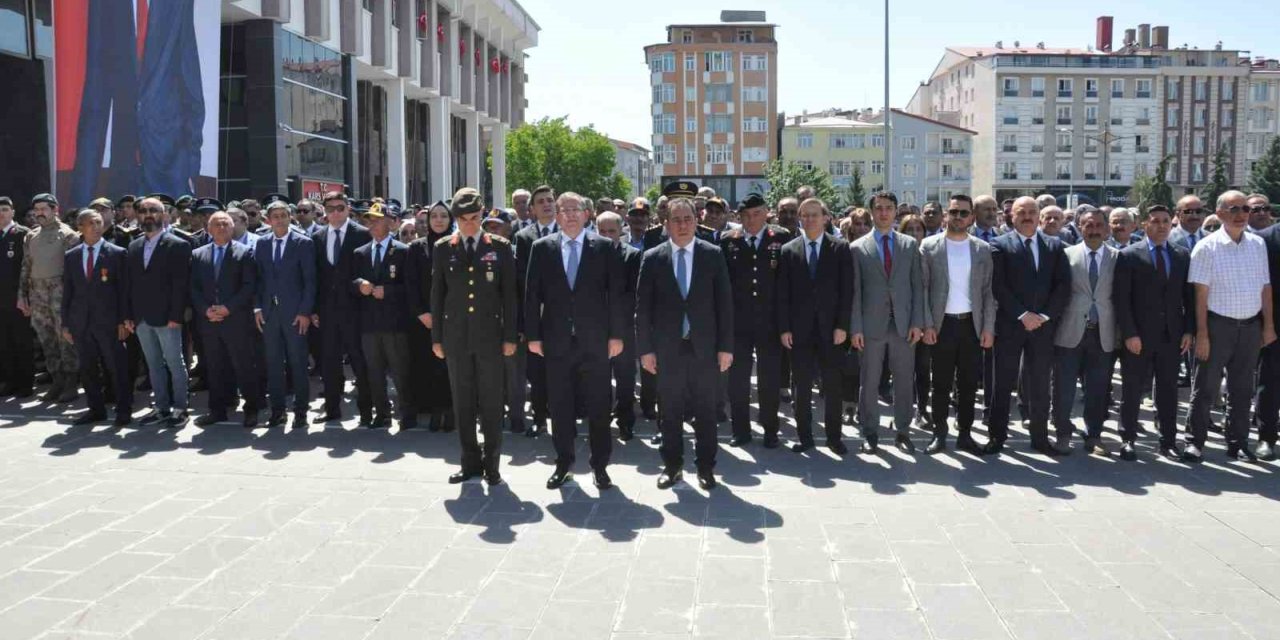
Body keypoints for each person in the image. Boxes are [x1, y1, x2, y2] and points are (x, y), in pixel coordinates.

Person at [525, 192, 627, 490]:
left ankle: (600, 466)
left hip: (595, 341)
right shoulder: (542, 248)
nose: (570, 214)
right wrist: (533, 336)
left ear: (587, 215)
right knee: (560, 406)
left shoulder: (605, 248)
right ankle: (563, 463)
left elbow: (616, 295)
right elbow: (532, 296)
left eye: (575, 209)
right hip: (556, 342)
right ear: (556, 216)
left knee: (598, 404)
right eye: (563, 210)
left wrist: (617, 335)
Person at [636, 191, 733, 490]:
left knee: (705, 410)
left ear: (697, 221)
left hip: (704, 347)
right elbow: (643, 309)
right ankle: (672, 465)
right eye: (676, 220)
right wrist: (646, 350)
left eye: (688, 219)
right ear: (666, 223)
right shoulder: (652, 258)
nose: (682, 225)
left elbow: (725, 305)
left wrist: (726, 347)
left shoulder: (712, 254)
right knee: (670, 410)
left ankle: (706, 467)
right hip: (667, 349)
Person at [432, 188, 519, 486]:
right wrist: (436, 339)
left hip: (490, 338)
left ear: (482, 215)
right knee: (463, 402)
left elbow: (510, 297)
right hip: (456, 338)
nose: (470, 224)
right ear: (456, 219)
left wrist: (510, 337)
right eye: (464, 219)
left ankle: (492, 464)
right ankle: (469, 462)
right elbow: (437, 296)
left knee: (492, 402)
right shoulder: (444, 247)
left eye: (475, 217)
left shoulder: (500, 246)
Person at [1186, 191, 1276, 462]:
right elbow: (1200, 296)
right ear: (1220, 212)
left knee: (1242, 390)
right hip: (1217, 327)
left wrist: (1268, 326)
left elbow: (1265, 288)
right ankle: (1195, 442)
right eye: (1234, 209)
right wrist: (1202, 334)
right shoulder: (1206, 247)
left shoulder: (1257, 244)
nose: (1241, 215)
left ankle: (1237, 443)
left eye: (1245, 209)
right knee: (1205, 389)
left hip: (1250, 327)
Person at [987, 196, 1072, 455]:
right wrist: (1023, 315)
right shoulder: (998, 245)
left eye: (1032, 212)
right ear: (1011, 216)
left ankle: (1040, 439)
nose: (1027, 216)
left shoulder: (1056, 246)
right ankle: (997, 437)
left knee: (1039, 385)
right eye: (1021, 212)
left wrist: (1044, 316)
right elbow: (998, 286)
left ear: (1039, 216)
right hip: (1011, 326)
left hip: (1043, 329)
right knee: (1002, 384)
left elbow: (1063, 286)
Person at [1114, 205, 1194, 461]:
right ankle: (1128, 439)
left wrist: (1189, 331)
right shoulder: (1129, 255)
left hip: (1171, 336)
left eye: (1165, 221)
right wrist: (1129, 333)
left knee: (1168, 390)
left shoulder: (1181, 255)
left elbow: (1188, 297)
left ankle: (1168, 441)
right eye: (1155, 221)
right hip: (1138, 336)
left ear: (1171, 224)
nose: (1161, 226)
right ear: (1144, 225)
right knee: (1132, 389)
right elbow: (1121, 299)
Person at [850, 192, 925, 454]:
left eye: (889, 208)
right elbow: (856, 292)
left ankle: (902, 430)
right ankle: (869, 432)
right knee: (869, 381)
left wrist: (918, 322)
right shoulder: (858, 247)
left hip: (904, 325)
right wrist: (856, 327)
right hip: (871, 326)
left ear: (896, 212)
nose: (884, 213)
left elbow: (918, 287)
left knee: (904, 380)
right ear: (871, 212)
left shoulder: (909, 245)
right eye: (879, 208)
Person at [920, 195, 994, 455]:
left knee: (968, 384)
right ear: (945, 215)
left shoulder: (982, 249)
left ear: (972, 217)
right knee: (939, 383)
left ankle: (964, 433)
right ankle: (939, 434)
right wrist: (927, 325)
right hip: (942, 326)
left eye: (964, 213)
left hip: (971, 326)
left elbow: (987, 293)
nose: (958, 217)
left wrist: (988, 328)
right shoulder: (929, 246)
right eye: (954, 212)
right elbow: (923, 290)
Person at [778, 197, 851, 454]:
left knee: (833, 386)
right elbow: (782, 294)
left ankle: (834, 437)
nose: (809, 219)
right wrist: (785, 328)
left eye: (814, 215)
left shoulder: (841, 248)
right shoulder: (789, 250)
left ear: (825, 218)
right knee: (802, 387)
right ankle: (805, 437)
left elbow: (847, 291)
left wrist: (843, 326)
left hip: (832, 331)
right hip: (799, 331)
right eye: (804, 215)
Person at [720, 192, 791, 448]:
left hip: (769, 321)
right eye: (747, 215)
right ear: (739, 216)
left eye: (757, 214)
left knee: (769, 378)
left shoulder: (781, 238)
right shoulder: (728, 240)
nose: (752, 220)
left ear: (767, 213)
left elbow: (786, 284)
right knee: (738, 380)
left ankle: (771, 430)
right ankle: (740, 430)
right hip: (738, 322)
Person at [1051, 207, 1119, 456]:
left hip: (1103, 331)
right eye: (1088, 225)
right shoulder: (1065, 255)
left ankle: (1094, 435)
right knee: (1063, 386)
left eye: (1099, 225)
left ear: (1107, 229)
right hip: (1070, 331)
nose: (1093, 230)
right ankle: (1062, 433)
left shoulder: (1117, 257)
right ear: (1080, 227)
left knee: (1098, 388)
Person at [190, 208, 261, 429]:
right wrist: (206, 310)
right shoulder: (197, 254)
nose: (221, 228)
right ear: (209, 229)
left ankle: (252, 409)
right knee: (214, 366)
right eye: (217, 224)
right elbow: (193, 288)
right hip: (209, 321)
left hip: (236, 320)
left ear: (233, 227)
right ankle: (217, 410)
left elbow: (249, 286)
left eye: (226, 224)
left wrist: (228, 308)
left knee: (244, 366)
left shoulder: (245, 252)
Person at [126, 196, 192, 427]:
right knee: (153, 365)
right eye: (143, 211)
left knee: (175, 363)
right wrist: (130, 316)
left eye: (153, 210)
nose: (148, 215)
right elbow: (130, 285)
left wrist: (176, 316)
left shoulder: (178, 244)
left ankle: (181, 408)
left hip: (168, 317)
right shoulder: (133, 245)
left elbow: (180, 285)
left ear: (164, 215)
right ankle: (162, 407)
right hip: (142, 317)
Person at [61, 208, 132, 426]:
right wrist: (65, 323)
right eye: (90, 223)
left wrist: (123, 320)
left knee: (116, 367)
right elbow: (69, 292)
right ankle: (96, 409)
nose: (95, 226)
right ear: (80, 227)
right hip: (81, 322)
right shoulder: (71, 256)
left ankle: (123, 410)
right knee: (88, 368)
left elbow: (124, 291)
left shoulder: (117, 253)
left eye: (99, 222)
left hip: (109, 322)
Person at [312, 191, 374, 425]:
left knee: (360, 362)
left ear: (348, 209)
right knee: (329, 362)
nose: (335, 212)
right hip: (327, 312)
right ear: (325, 211)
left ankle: (367, 410)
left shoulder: (362, 235)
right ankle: (332, 407)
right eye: (330, 208)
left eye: (340, 208)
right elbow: (315, 276)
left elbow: (367, 272)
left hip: (355, 309)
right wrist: (314, 309)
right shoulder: (317, 237)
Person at [351, 202, 414, 430]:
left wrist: (387, 291)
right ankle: (382, 414)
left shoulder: (403, 251)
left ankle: (407, 413)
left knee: (400, 371)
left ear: (390, 221)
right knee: (374, 372)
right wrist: (360, 285)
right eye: (370, 219)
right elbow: (351, 282)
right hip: (369, 324)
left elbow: (411, 288)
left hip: (395, 324)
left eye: (377, 219)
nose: (373, 223)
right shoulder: (361, 252)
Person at [253, 199, 315, 429]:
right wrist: (257, 308)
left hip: (295, 314)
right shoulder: (261, 243)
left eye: (283, 215)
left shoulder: (303, 243)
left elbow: (310, 282)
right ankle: (277, 411)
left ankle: (300, 412)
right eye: (275, 216)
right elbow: (257, 279)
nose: (279, 219)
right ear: (268, 220)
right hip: (269, 314)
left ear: (290, 218)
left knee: (298, 363)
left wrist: (305, 312)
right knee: (273, 363)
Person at [19, 193, 81, 404]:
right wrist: (22, 295)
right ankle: (57, 380)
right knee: (46, 338)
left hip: (59, 292)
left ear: (56, 210)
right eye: (37, 210)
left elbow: (74, 273)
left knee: (65, 338)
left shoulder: (68, 235)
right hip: (37, 293)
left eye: (44, 209)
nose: (39, 213)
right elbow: (26, 266)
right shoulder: (31, 236)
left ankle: (71, 382)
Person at [512, 185, 559, 436]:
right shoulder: (523, 237)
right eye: (541, 201)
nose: (547, 204)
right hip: (536, 316)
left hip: (564, 316)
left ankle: (565, 419)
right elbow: (521, 283)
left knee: (563, 371)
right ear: (532, 209)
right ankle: (539, 418)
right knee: (537, 372)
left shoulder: (568, 232)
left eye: (550, 200)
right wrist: (523, 324)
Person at [405, 202, 455, 432]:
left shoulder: (458, 244)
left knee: (451, 367)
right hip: (424, 319)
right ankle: (434, 411)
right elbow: (411, 284)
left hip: (453, 318)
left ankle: (452, 411)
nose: (438, 220)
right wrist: (421, 313)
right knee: (428, 366)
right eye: (434, 216)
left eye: (444, 216)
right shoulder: (416, 248)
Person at [596, 211, 642, 440]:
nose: (606, 236)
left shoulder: (632, 256)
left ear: (621, 230)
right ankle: (602, 420)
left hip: (623, 328)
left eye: (611, 231)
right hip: (596, 329)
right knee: (599, 378)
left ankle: (626, 421)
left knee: (625, 378)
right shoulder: (590, 254)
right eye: (601, 231)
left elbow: (633, 294)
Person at [0, 197, 34, 398]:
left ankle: (25, 383)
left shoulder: (23, 234)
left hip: (18, 299)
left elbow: (28, 268)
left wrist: (26, 296)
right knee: (4, 343)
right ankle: (10, 381)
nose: (1, 213)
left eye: (5, 209)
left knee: (22, 341)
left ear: (13, 212)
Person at [1257, 209, 1280, 458]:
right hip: (1275, 324)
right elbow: (1262, 285)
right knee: (1270, 383)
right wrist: (1268, 324)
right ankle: (1266, 438)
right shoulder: (1266, 239)